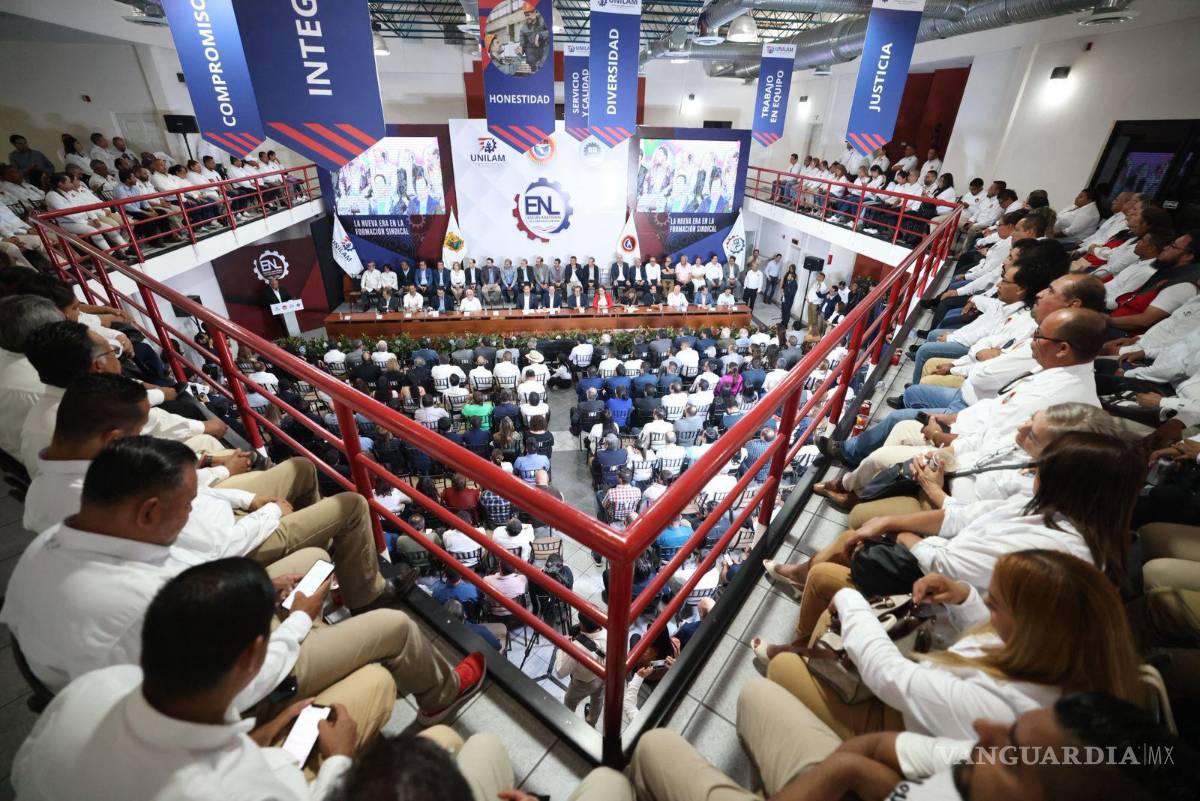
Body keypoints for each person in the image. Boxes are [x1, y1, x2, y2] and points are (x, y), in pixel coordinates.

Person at [12, 557, 386, 800]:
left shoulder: (90, 688)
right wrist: (339, 760)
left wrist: (257, 737)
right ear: (252, 655)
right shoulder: (245, 789)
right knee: (378, 680)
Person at [631, 689, 1195, 801]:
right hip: (850, 785)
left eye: (1011, 752)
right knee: (757, 693)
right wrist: (845, 773)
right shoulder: (981, 773)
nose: (985, 734)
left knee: (653, 745)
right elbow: (882, 750)